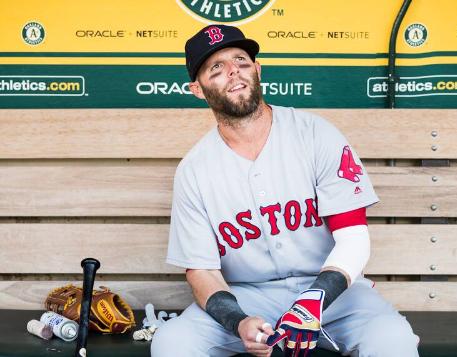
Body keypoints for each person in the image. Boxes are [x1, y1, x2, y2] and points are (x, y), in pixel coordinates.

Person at [151, 24, 419, 357]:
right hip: (248, 295)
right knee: (172, 342)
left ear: (258, 70)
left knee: (394, 340)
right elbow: (201, 271)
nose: (233, 70)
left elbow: (354, 237)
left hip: (333, 292)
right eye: (216, 68)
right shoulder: (194, 171)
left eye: (241, 60)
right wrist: (238, 321)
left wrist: (316, 297)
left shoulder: (316, 135)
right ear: (198, 89)